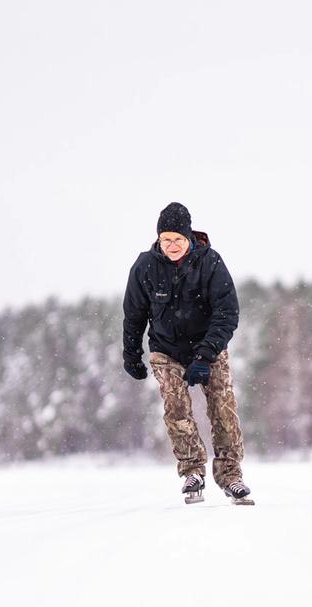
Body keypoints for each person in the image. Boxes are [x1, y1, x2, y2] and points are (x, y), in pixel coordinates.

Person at [122, 202, 252, 504]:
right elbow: (133, 315)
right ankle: (192, 471)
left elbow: (227, 313)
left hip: (208, 347)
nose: (172, 245)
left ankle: (231, 476)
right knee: (176, 409)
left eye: (178, 239)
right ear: (158, 239)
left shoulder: (210, 262)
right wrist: (131, 354)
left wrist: (205, 355)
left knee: (223, 409)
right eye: (166, 239)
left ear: (189, 237)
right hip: (166, 350)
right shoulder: (144, 267)